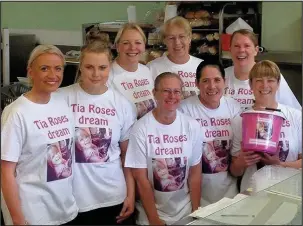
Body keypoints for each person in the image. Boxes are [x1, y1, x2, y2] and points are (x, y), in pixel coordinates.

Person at [57, 41, 137, 225]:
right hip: (72, 198)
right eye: (89, 67)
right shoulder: (60, 98)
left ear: (110, 67)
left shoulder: (123, 105)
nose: (96, 74)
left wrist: (131, 195)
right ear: (80, 67)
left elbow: (127, 156)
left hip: (112, 197)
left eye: (102, 67)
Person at [1, 45, 78, 225]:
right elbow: (5, 172)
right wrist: (18, 219)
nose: (53, 75)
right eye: (44, 68)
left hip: (64, 210)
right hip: (33, 215)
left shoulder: (61, 101)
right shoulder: (17, 113)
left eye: (58, 68)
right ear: (31, 72)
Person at [125, 72, 204, 225]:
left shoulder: (192, 126)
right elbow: (141, 179)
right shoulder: (141, 128)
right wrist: (154, 219)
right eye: (166, 91)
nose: (172, 96)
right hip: (151, 215)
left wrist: (196, 212)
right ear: (155, 93)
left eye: (176, 91)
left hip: (185, 212)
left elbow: (194, 174)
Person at [229, 60, 302, 192]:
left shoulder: (296, 116)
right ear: (251, 84)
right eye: (259, 80)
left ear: (278, 83)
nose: (265, 85)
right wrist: (241, 162)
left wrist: (280, 164)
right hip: (252, 193)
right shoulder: (240, 120)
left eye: (270, 80)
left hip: (289, 192)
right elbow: (235, 172)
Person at [179, 60, 241, 206]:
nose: (212, 86)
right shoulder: (184, 110)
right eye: (205, 81)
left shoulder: (233, 107)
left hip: (229, 194)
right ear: (196, 83)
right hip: (192, 197)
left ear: (224, 82)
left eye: (217, 80)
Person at [224, 29, 301, 110]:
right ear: (230, 50)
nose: (241, 50)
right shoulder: (221, 76)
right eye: (236, 46)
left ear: (256, 50)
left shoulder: (271, 76)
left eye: (247, 46)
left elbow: (295, 112)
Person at [107, 23, 155, 119]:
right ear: (117, 46)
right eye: (126, 43)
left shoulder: (147, 71)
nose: (133, 47)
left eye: (138, 42)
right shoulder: (107, 76)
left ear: (144, 46)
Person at [147, 16, 203, 99]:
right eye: (171, 38)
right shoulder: (152, 68)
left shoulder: (202, 66)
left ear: (189, 38)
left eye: (182, 36)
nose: (177, 42)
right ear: (165, 41)